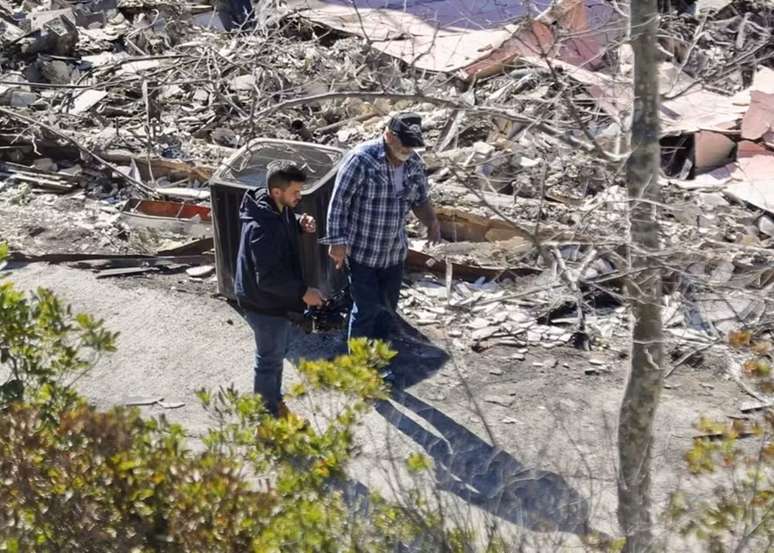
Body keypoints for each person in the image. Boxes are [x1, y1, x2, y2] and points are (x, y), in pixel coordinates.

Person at [326, 112, 441, 349]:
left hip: (394, 253)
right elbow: (339, 203)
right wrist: (336, 242)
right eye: (404, 145)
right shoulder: (361, 160)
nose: (407, 152)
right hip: (362, 254)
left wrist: (432, 222)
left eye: (412, 146)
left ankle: (378, 358)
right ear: (389, 136)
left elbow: (419, 200)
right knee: (366, 310)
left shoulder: (414, 164)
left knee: (387, 310)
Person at [235, 160, 324, 417]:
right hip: (262, 302)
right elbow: (269, 279)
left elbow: (281, 224)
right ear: (277, 192)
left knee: (276, 352)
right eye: (295, 192)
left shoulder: (273, 207)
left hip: (271, 299)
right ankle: (266, 416)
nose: (300, 196)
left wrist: (297, 222)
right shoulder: (262, 228)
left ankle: (273, 401)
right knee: (269, 360)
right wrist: (303, 292)